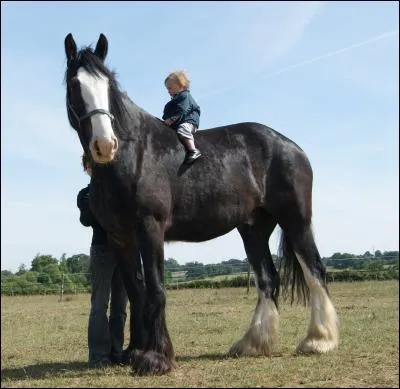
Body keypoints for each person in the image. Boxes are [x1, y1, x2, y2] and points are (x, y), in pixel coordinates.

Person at [77, 153, 128, 368]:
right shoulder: (85, 194)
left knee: (120, 306)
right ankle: (98, 356)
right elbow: (87, 219)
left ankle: (116, 352)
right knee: (100, 304)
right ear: (87, 168)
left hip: (125, 251)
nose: (94, 167)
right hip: (102, 250)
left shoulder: (118, 188)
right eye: (90, 165)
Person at [162, 70, 202, 164]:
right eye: (167, 89)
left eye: (170, 88)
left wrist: (171, 119)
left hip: (189, 121)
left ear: (181, 86)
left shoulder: (184, 96)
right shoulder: (174, 100)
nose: (168, 91)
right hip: (181, 120)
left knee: (183, 129)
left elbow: (183, 111)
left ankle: (193, 150)